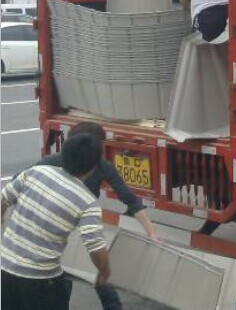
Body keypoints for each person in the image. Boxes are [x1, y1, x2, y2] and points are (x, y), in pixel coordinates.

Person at [36, 122, 161, 310]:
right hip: (54, 228)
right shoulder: (52, 162)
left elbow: (130, 200)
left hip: (81, 226)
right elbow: (18, 186)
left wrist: (151, 232)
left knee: (101, 275)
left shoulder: (102, 166)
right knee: (62, 280)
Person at [1, 134, 111, 310]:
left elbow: (3, 199)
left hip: (5, 270)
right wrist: (105, 272)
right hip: (41, 280)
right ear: (93, 167)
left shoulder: (35, 172)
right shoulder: (87, 202)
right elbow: (96, 247)